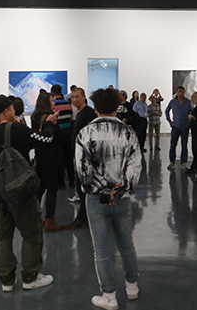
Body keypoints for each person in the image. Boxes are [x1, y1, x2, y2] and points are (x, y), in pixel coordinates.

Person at [76, 88, 142, 310]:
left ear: (95, 108)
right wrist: (119, 191)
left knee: (102, 249)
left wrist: (104, 193)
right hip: (122, 199)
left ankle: (109, 296)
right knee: (126, 244)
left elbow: (83, 170)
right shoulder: (128, 133)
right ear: (117, 107)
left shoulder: (85, 133)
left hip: (96, 200)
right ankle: (132, 287)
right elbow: (135, 165)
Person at [0, 95, 57, 291]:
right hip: (20, 192)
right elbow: (46, 139)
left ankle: (6, 280)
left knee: (2, 236)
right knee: (32, 234)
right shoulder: (16, 129)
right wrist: (49, 123)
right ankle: (30, 276)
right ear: (6, 112)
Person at [63, 87, 98, 230]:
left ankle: (84, 217)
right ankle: (83, 215)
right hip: (79, 154)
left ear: (84, 97)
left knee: (83, 186)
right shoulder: (79, 113)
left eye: (77, 96)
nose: (74, 99)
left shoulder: (88, 113)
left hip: (85, 156)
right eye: (72, 97)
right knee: (80, 186)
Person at [30, 92, 63, 232]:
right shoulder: (50, 118)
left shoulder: (34, 116)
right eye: (52, 101)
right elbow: (55, 137)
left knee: (40, 187)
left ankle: (33, 216)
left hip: (40, 156)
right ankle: (50, 219)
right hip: (51, 157)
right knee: (51, 189)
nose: (54, 103)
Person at [51, 84, 75, 188]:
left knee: (59, 159)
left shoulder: (54, 105)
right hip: (68, 133)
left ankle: (61, 183)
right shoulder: (68, 103)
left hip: (58, 134)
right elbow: (71, 118)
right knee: (69, 158)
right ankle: (72, 181)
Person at [165, 86, 193, 169]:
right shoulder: (172, 102)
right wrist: (169, 121)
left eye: (182, 92)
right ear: (176, 93)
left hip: (185, 126)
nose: (180, 94)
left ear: (184, 93)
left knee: (184, 145)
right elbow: (167, 111)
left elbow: (192, 111)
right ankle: (172, 162)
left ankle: (183, 162)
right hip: (175, 126)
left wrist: (190, 121)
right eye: (179, 92)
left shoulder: (188, 102)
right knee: (173, 144)